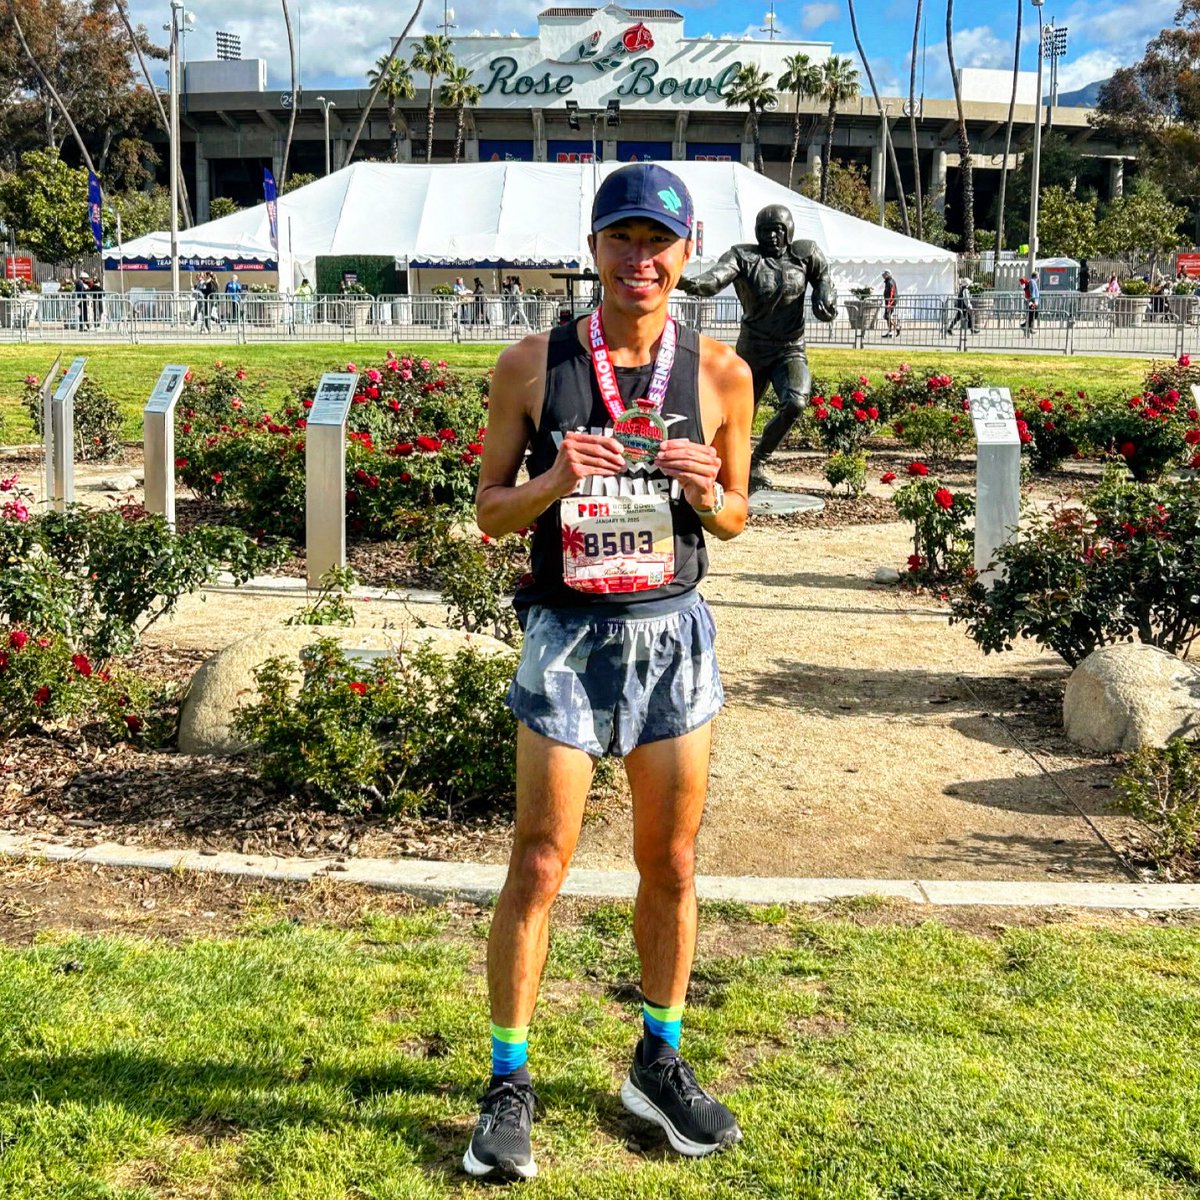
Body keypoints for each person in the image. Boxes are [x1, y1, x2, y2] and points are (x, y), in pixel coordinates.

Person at [466, 162, 753, 1181]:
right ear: (594, 251)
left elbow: (735, 518)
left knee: (669, 865)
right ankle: (508, 1080)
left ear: (688, 251)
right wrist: (553, 478)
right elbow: (490, 512)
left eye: (658, 241)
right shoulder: (533, 367)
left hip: (672, 637)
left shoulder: (720, 375)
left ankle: (659, 1061)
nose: (641, 259)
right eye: (622, 239)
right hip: (568, 639)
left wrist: (709, 487)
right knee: (540, 863)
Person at [675, 203, 836, 489]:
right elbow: (715, 278)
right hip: (753, 349)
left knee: (796, 401)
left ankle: (758, 460)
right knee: (738, 414)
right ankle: (723, 467)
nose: (772, 237)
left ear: (788, 232)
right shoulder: (745, 256)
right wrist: (686, 281)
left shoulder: (806, 253)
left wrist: (824, 297)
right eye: (765, 231)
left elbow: (823, 277)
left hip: (790, 347)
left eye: (778, 231)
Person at [881, 269, 900, 337]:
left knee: (887, 316)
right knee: (887, 316)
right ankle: (890, 332)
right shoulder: (888, 281)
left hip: (891, 302)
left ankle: (896, 328)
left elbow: (892, 293)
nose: (882, 275)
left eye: (884, 274)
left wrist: (889, 303)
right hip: (889, 301)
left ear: (887, 274)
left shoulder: (890, 282)